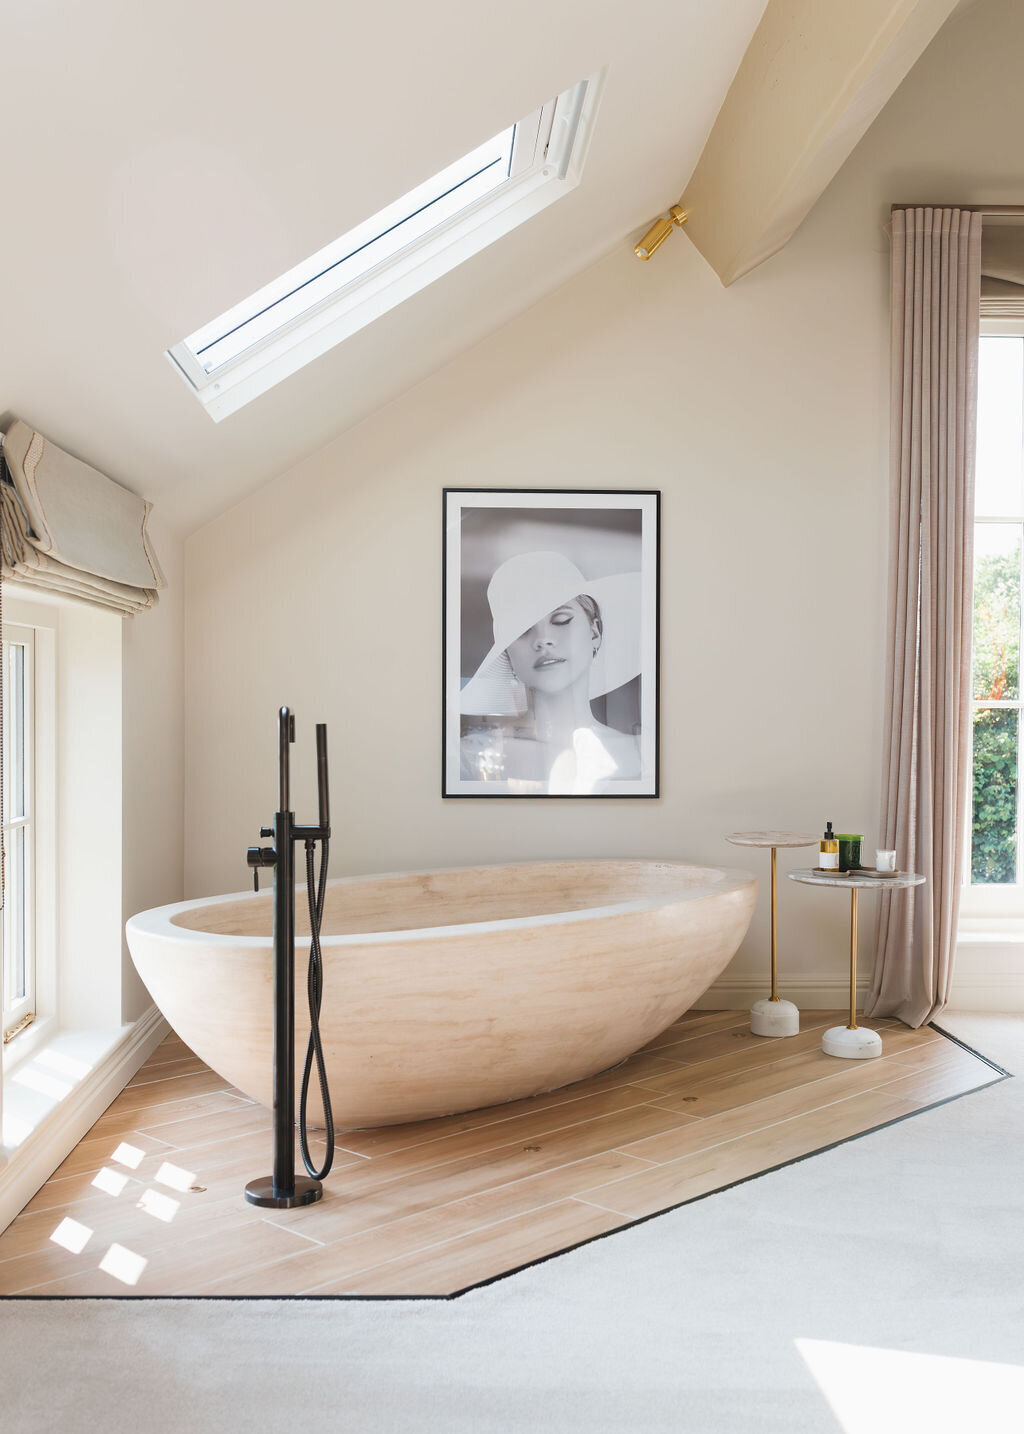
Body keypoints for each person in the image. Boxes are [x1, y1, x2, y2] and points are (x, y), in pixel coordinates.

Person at [459, 550, 643, 792]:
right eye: (523, 630)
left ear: (595, 633)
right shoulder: (472, 758)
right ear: (508, 656)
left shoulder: (641, 753)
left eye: (561, 620)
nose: (543, 640)